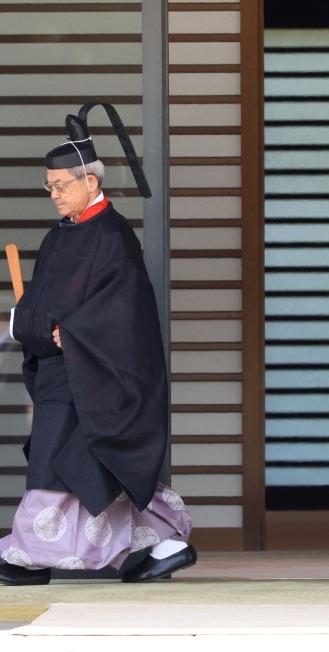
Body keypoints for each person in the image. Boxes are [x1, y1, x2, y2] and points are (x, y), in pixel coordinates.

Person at [0, 103, 196, 586]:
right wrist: (29, 323)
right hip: (59, 373)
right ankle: (158, 547)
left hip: (95, 373)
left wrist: (73, 333)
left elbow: (124, 312)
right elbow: (42, 303)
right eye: (49, 186)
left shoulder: (114, 235)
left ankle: (28, 556)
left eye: (61, 185)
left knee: (63, 464)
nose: (55, 195)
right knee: (87, 468)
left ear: (90, 181)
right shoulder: (57, 238)